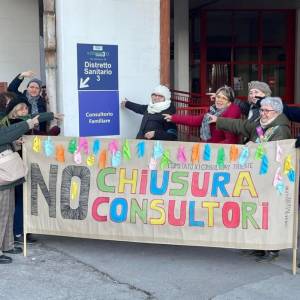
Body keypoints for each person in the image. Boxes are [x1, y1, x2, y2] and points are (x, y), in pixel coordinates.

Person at [208, 97, 291, 262]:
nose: (263, 113)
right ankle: (259, 246)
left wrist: (255, 146)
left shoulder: (280, 129)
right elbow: (242, 126)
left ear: (277, 112)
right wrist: (219, 120)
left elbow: (275, 155)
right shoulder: (261, 124)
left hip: (271, 179)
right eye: (262, 110)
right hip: (257, 176)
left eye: (267, 111)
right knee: (258, 211)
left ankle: (272, 249)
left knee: (270, 213)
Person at [0, 112, 60, 264]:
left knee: (8, 212)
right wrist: (28, 124)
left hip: (7, 176)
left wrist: (15, 144)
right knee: (2, 215)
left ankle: (7, 245)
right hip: (3, 177)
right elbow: (5, 134)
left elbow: (5, 139)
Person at [164, 86, 241, 144]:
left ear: (229, 103)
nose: (219, 100)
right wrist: (173, 118)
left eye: (224, 98)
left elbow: (231, 140)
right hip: (211, 149)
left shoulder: (232, 111)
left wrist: (213, 148)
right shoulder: (212, 110)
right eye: (218, 97)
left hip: (222, 153)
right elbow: (194, 120)